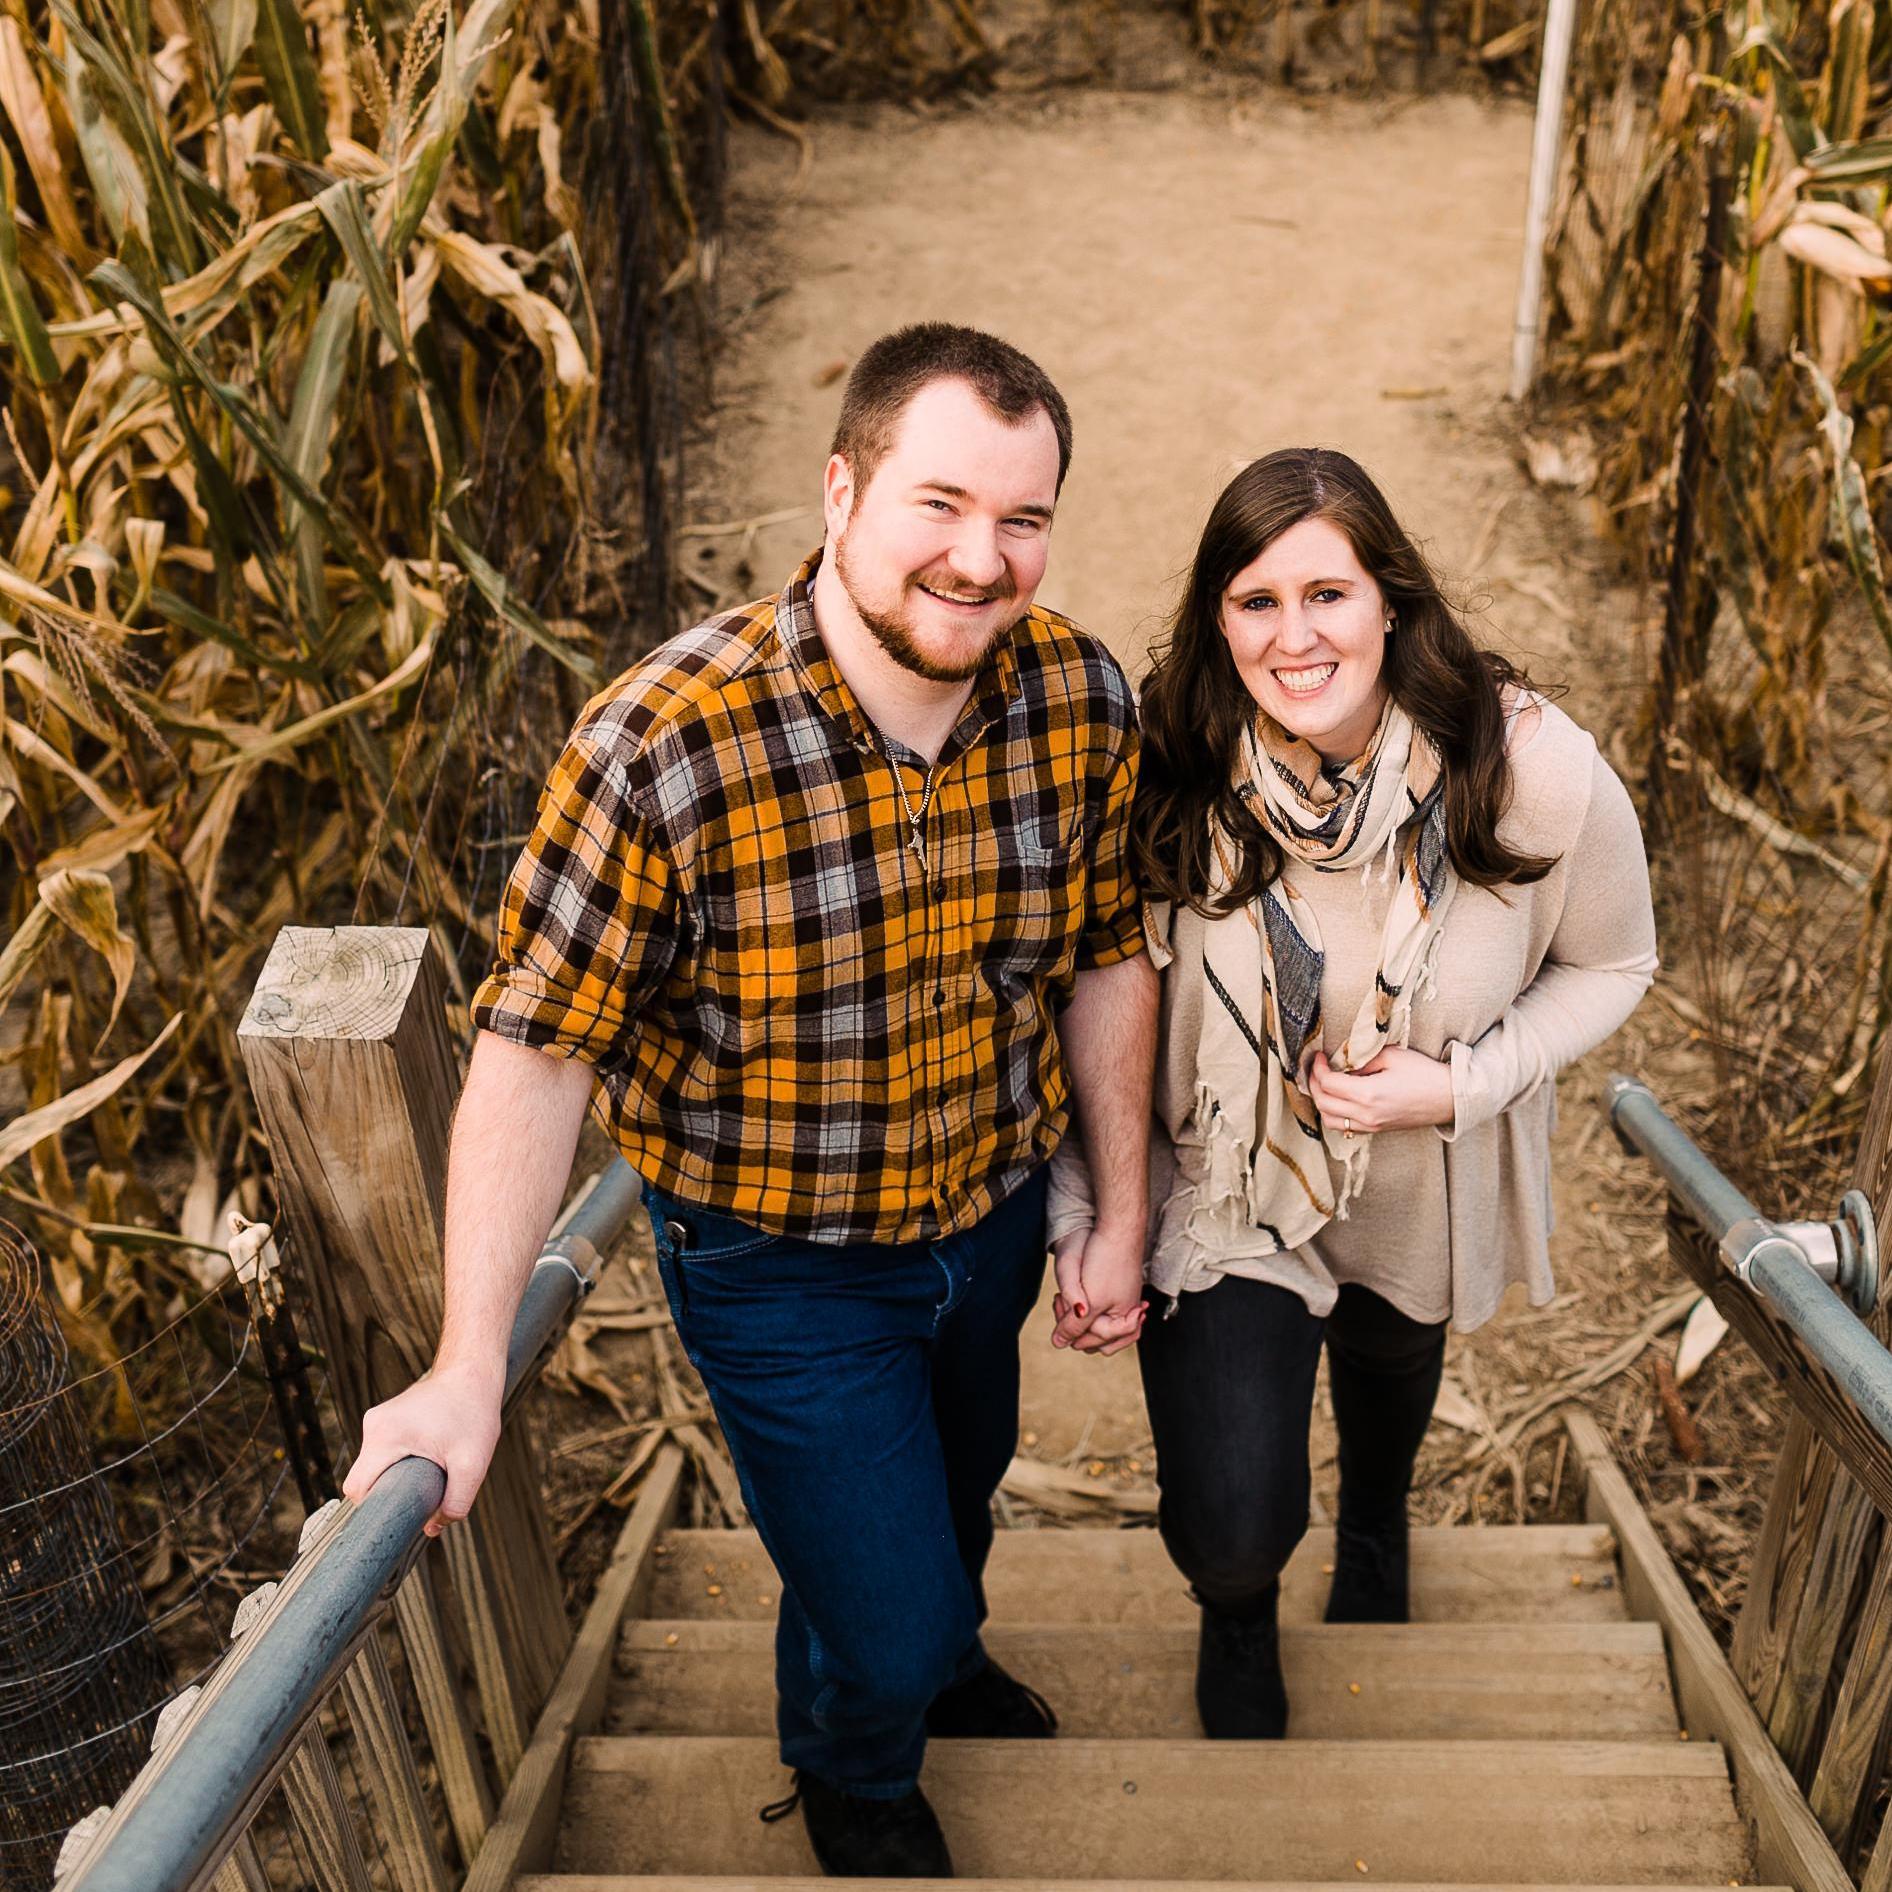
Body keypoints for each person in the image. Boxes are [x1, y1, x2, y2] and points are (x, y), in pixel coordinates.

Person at [342, 323, 1158, 1878]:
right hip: (779, 1266)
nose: (982, 561)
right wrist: (466, 1366)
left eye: (1025, 519)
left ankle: (922, 1652)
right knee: (896, 1609)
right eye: (939, 505)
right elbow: (535, 1049)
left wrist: (1115, 1210)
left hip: (985, 1221)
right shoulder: (664, 744)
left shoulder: (1077, 697)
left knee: (958, 1493)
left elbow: (1110, 954)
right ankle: (856, 1763)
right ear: (839, 490)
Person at [1047, 447, 1657, 1739]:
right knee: (1227, 1520)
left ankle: (1376, 1532)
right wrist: (1082, 1207)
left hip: (1413, 1188)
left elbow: (1616, 960)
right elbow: (1096, 988)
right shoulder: (1169, 762)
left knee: (1387, 1385)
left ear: (1392, 599)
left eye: (1327, 594)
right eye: (1255, 602)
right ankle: (1238, 1600)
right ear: (1218, 621)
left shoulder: (1527, 765)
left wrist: (1460, 1086)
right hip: (1227, 1195)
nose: (1295, 636)